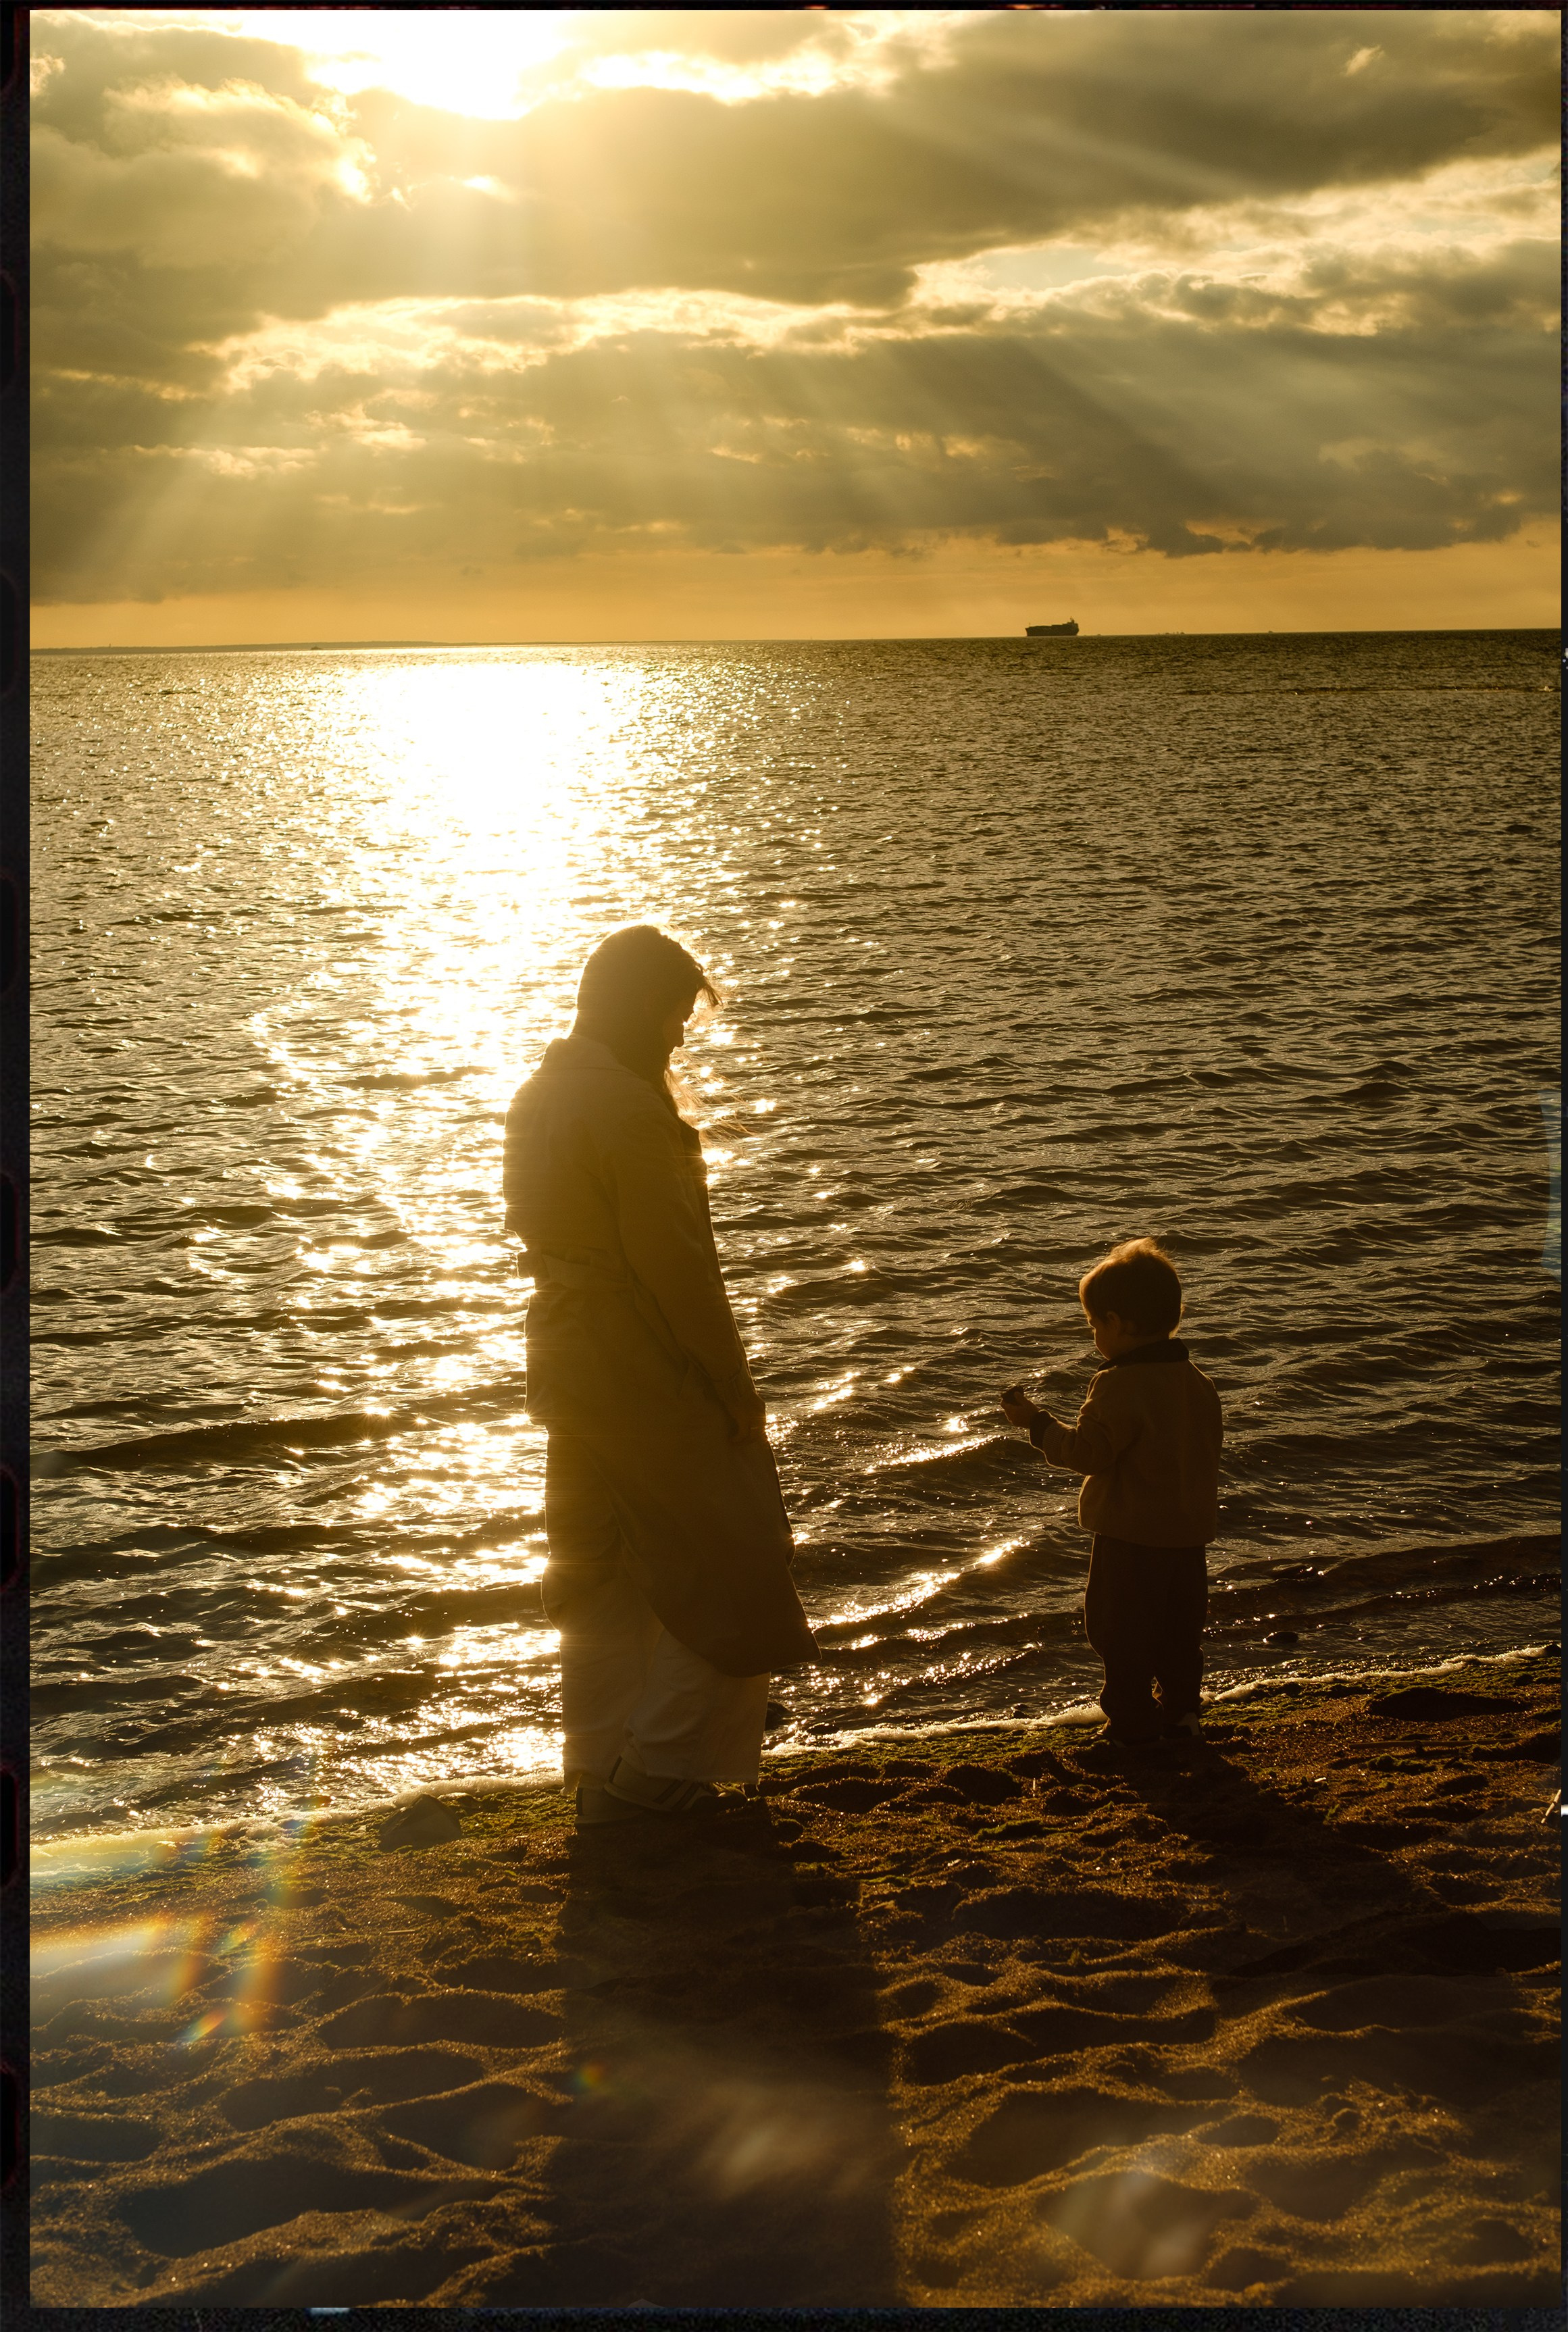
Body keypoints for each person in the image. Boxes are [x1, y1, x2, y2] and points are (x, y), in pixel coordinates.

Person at [503, 925, 816, 1828]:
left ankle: (600, 1772)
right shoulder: (631, 1114)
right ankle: (663, 1766)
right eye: (675, 1018)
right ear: (638, 1007)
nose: (680, 1038)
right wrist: (733, 1388)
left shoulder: (538, 1095)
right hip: (639, 1363)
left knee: (606, 1573)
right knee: (739, 1560)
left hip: (565, 1360)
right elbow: (678, 1269)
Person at [1000, 1238, 1222, 1750]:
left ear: (1118, 1323)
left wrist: (1035, 1422)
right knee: (1177, 1635)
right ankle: (1182, 1715)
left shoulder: (1118, 1386)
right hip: (1188, 1535)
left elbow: (1088, 1454)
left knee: (1119, 1635)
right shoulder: (1197, 1382)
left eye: (1095, 1325)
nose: (1094, 1335)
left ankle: (1130, 1725)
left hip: (1130, 1536)